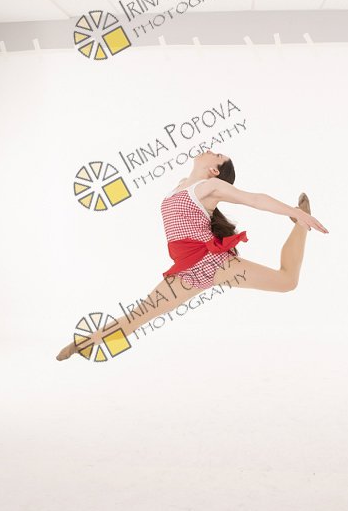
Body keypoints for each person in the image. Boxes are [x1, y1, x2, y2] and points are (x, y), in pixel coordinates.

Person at [56, 149, 329, 361]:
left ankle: (300, 225)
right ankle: (84, 344)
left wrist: (295, 212)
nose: (211, 150)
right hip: (185, 269)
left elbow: (255, 199)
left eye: (217, 154)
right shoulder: (181, 185)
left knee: (287, 281)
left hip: (212, 263)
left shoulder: (210, 187)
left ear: (214, 170)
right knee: (140, 315)